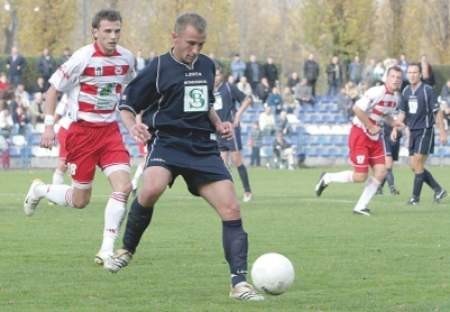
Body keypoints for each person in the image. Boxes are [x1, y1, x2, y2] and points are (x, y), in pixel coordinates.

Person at [104, 12, 264, 301]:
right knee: (151, 187)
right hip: (167, 142)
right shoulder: (158, 68)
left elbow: (204, 102)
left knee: (231, 209)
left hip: (202, 146)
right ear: (174, 37)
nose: (196, 50)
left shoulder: (206, 65)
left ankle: (239, 284)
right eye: (191, 43)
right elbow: (126, 104)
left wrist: (217, 122)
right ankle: (126, 249)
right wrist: (134, 126)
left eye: (201, 44)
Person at [23, 9, 136, 266]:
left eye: (117, 31)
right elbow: (52, 91)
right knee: (80, 200)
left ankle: (106, 249)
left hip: (109, 133)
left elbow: (130, 89)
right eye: (107, 31)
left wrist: (137, 119)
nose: (113, 36)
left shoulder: (127, 59)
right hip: (81, 134)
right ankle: (40, 189)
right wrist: (49, 126)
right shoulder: (82, 58)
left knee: (124, 187)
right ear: (95, 32)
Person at [315, 66, 404, 216]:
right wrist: (370, 126)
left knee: (381, 171)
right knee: (360, 176)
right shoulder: (376, 92)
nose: (395, 80)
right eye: (393, 77)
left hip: (374, 137)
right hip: (360, 134)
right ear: (386, 78)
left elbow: (384, 115)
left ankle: (360, 206)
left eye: (398, 78)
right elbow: (357, 109)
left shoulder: (394, 99)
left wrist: (393, 122)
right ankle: (327, 177)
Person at [394, 63, 447, 205]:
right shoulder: (405, 91)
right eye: (409, 72)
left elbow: (437, 112)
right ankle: (438, 189)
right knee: (414, 166)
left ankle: (414, 198)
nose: (412, 75)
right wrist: (395, 128)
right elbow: (402, 112)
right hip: (412, 132)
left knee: (417, 162)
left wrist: (442, 132)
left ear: (420, 75)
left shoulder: (427, 90)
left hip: (425, 129)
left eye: (415, 72)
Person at [214, 65, 253, 202]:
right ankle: (226, 193)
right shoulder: (208, 90)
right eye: (213, 74)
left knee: (237, 160)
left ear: (222, 76)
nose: (215, 77)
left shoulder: (229, 87)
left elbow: (248, 99)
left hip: (230, 129)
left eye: (218, 75)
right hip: (217, 130)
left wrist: (237, 116)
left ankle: (247, 191)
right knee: (222, 163)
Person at [376, 123, 401, 195]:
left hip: (396, 138)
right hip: (385, 138)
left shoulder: (398, 112)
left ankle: (378, 188)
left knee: (387, 168)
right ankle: (392, 189)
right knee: (388, 167)